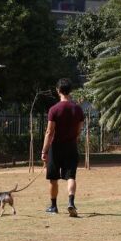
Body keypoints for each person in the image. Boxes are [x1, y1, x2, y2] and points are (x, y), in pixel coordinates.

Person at [41, 78, 85, 217]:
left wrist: (44, 151)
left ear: (58, 90)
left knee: (53, 178)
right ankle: (71, 202)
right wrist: (74, 140)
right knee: (71, 176)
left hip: (56, 147)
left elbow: (49, 132)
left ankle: (53, 206)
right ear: (70, 91)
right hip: (71, 146)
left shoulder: (54, 109)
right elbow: (79, 130)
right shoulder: (77, 109)